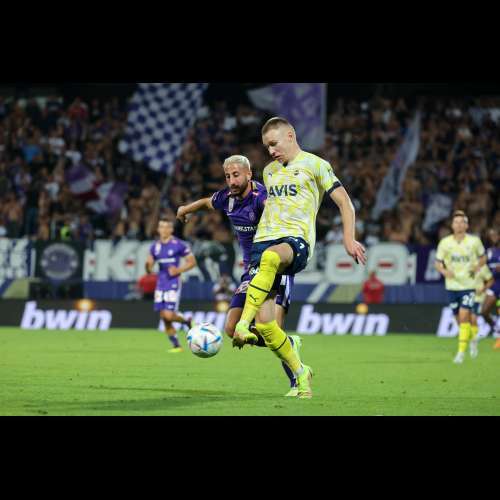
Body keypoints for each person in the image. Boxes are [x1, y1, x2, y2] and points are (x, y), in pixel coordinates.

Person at [233, 117, 367, 399]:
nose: (270, 151)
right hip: (263, 241)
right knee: (267, 327)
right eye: (266, 146)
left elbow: (345, 203)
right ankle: (301, 374)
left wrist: (348, 238)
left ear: (290, 136)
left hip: (295, 241)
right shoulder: (269, 172)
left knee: (271, 258)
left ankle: (244, 324)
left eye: (274, 144)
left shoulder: (316, 164)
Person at [177, 155, 303, 396]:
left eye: (236, 175)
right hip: (250, 271)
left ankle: (296, 381)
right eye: (227, 176)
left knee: (272, 328)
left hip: (276, 269)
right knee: (231, 329)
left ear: (249, 174)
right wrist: (185, 209)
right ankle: (289, 343)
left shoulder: (261, 198)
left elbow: (280, 214)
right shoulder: (227, 198)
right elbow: (207, 202)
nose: (232, 181)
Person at [435, 210, 487, 364]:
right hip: (452, 286)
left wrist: (478, 266)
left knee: (464, 316)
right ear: (452, 225)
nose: (458, 225)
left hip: (468, 285)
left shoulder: (474, 241)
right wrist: (444, 271)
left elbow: (483, 257)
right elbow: (437, 263)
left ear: (466, 225)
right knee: (459, 320)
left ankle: (460, 353)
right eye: (456, 222)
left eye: (461, 222)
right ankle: (473, 339)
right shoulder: (445, 243)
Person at [145, 218, 197, 353]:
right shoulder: (155, 247)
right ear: (158, 229)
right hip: (160, 283)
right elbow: (149, 267)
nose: (164, 230)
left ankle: (187, 321)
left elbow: (192, 262)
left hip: (173, 282)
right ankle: (176, 346)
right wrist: (148, 267)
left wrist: (178, 270)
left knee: (168, 315)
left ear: (171, 229)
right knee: (164, 317)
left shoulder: (179, 244)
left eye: (167, 227)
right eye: (161, 227)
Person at [481, 228, 500, 348]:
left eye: (495, 235)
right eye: (491, 235)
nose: (493, 237)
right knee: (484, 311)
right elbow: (483, 268)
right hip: (494, 284)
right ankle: (496, 329)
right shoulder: (489, 252)